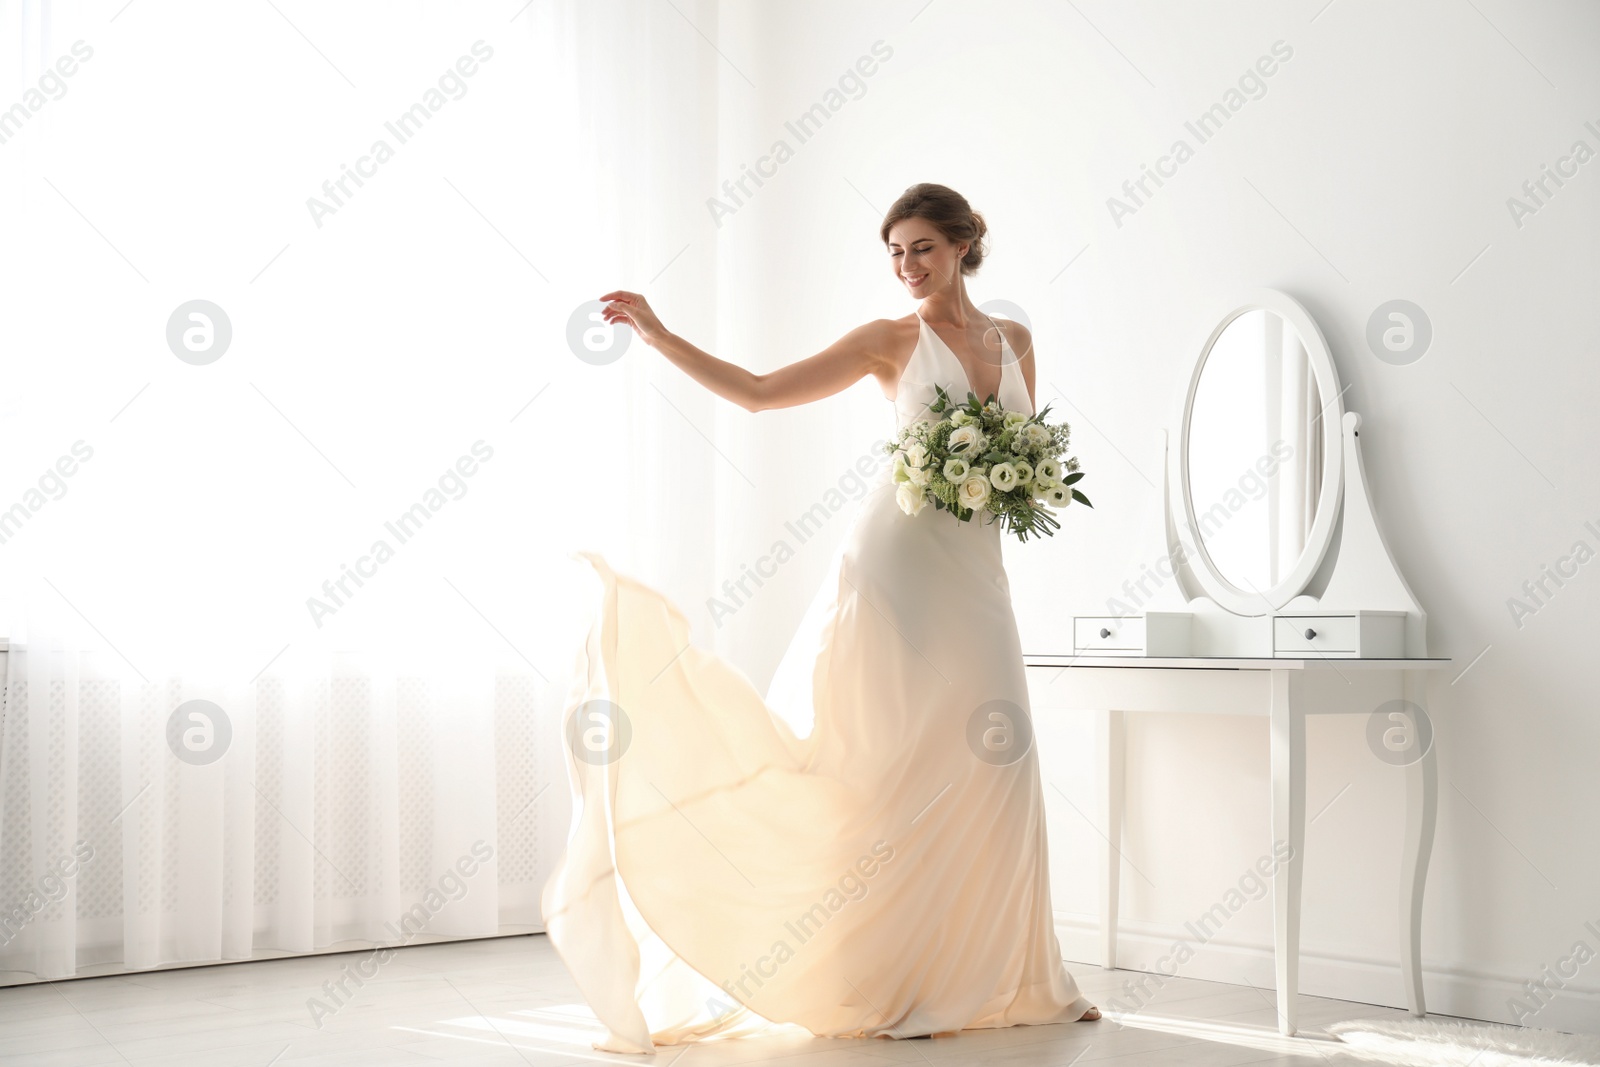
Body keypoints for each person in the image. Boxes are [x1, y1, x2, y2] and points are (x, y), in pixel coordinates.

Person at [542, 183, 1100, 1054]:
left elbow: (1029, 449)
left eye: (920, 247)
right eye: (894, 252)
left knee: (998, 755)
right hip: (896, 566)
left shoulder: (1015, 339)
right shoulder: (889, 342)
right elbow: (761, 394)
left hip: (978, 573)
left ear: (962, 245)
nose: (906, 266)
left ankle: (1021, 976)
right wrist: (658, 333)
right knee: (893, 755)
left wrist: (1019, 475)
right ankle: (899, 976)